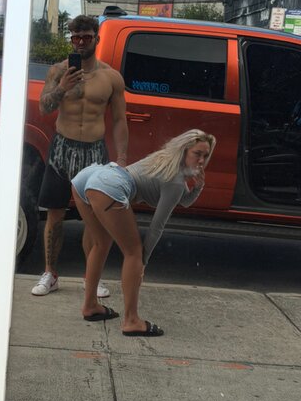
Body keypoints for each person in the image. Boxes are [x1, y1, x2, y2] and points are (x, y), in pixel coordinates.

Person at [71, 129, 216, 336]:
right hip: (109, 184)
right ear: (184, 151)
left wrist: (198, 187)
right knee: (133, 253)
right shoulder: (175, 180)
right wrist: (142, 261)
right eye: (197, 154)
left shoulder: (164, 160)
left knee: (100, 244)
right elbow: (157, 226)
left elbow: (184, 200)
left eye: (206, 155)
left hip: (88, 177)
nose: (201, 160)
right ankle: (131, 321)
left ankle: (90, 306)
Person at [31, 14, 129, 297]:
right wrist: (62, 88)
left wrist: (122, 160)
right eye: (76, 38)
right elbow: (43, 107)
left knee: (95, 217)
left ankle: (92, 276)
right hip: (62, 149)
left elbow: (119, 120)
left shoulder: (111, 77)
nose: (82, 42)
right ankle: (50, 273)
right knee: (55, 213)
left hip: (94, 152)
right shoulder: (58, 71)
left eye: (87, 37)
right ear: (71, 40)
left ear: (96, 38)